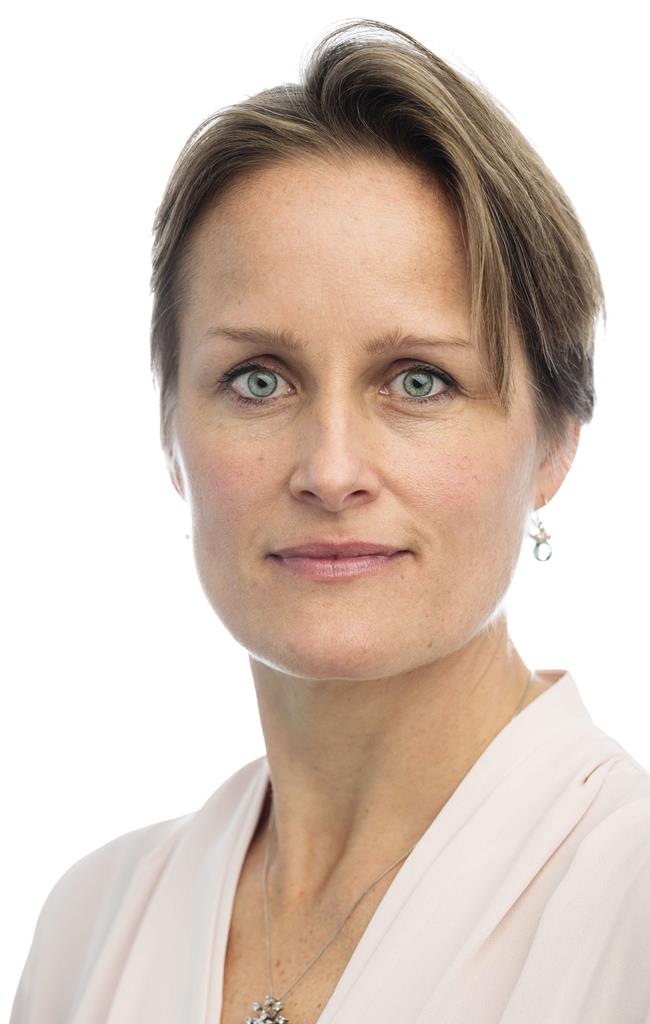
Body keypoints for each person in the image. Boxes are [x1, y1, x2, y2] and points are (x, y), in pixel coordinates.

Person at [11, 17, 650, 1024]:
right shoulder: (89, 928)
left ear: (557, 441)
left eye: (418, 380)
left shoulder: (628, 905)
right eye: (258, 379)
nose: (330, 470)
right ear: (172, 430)